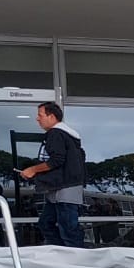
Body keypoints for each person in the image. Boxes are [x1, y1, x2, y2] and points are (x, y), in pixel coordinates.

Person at [18, 102, 87, 248]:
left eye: (40, 115)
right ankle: (64, 254)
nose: (37, 119)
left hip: (64, 189)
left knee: (66, 229)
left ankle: (75, 260)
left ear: (52, 116)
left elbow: (57, 160)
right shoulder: (67, 136)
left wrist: (33, 170)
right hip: (62, 189)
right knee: (49, 224)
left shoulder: (56, 134)